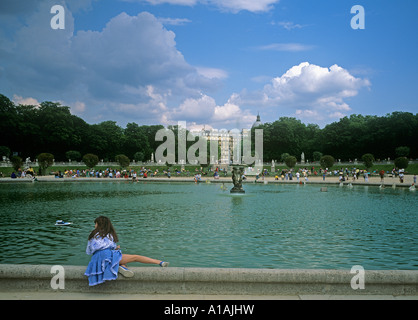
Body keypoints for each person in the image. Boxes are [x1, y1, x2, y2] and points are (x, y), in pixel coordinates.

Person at [84, 216, 169, 286]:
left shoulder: (94, 234)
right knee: (135, 257)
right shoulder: (108, 234)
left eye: (95, 223)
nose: (95, 225)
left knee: (122, 260)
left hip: (98, 258)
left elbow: (93, 249)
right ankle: (159, 262)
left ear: (99, 224)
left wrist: (113, 248)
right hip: (107, 256)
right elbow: (106, 246)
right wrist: (114, 248)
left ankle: (122, 267)